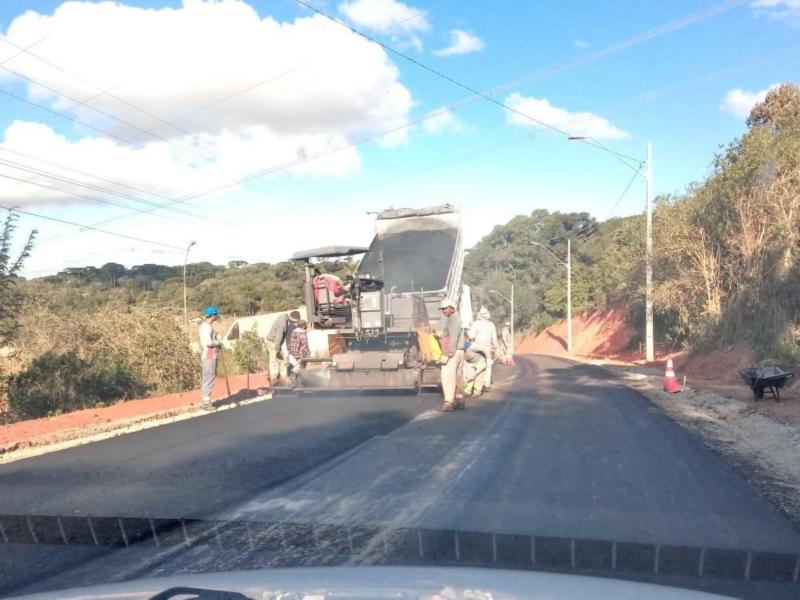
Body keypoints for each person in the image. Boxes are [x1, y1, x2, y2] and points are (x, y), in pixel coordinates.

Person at [438, 298, 464, 412]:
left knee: (448, 377)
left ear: (452, 308)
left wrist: (447, 355)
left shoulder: (453, 319)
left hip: (453, 353)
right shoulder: (456, 318)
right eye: (442, 309)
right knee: (458, 378)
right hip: (459, 352)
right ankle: (460, 400)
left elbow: (453, 338)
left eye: (445, 308)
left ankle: (448, 403)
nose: (443, 311)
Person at [198, 305, 223, 410]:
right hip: (209, 355)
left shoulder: (206, 326)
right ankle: (206, 403)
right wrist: (218, 342)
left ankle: (206, 401)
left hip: (210, 355)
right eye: (216, 314)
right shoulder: (206, 327)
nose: (217, 316)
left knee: (208, 377)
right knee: (209, 377)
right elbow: (208, 342)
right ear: (213, 315)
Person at [266, 310, 301, 383]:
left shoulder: (283, 316)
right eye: (294, 322)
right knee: (282, 361)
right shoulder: (283, 324)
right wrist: (278, 349)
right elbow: (279, 336)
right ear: (292, 320)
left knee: (274, 360)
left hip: (271, 340)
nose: (294, 324)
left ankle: (274, 379)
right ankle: (284, 379)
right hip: (274, 342)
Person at [470, 306, 498, 389]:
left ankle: (473, 381)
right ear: (487, 315)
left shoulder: (475, 324)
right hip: (487, 348)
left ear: (479, 315)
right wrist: (495, 348)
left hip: (476, 348)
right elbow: (494, 340)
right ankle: (486, 383)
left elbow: (471, 336)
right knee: (489, 364)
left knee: (473, 363)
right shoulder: (491, 325)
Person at [462, 332, 488, 398]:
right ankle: (467, 391)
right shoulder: (460, 350)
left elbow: (484, 349)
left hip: (480, 361)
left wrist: (489, 359)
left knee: (479, 377)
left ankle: (477, 392)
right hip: (469, 362)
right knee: (469, 376)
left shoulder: (472, 346)